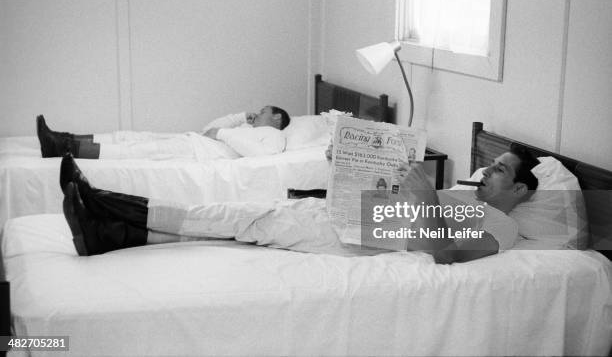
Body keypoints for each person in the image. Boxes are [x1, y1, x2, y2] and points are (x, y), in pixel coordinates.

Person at [59, 143, 539, 263]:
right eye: (489, 164)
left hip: (358, 241)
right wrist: (352, 165)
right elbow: (396, 205)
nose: (486, 172)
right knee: (233, 225)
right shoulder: (459, 196)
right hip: (353, 219)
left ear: (519, 191)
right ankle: (104, 229)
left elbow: (443, 255)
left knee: (238, 218)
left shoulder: (503, 230)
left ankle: (104, 204)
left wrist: (425, 199)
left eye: (499, 170)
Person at [36, 106, 290, 160]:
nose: (258, 113)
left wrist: (224, 133)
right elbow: (209, 128)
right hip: (192, 140)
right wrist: (237, 118)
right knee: (131, 137)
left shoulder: (274, 136)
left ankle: (61, 148)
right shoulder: (247, 128)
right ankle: (63, 138)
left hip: (195, 152)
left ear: (277, 117)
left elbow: (261, 155)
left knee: (133, 151)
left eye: (263, 110)